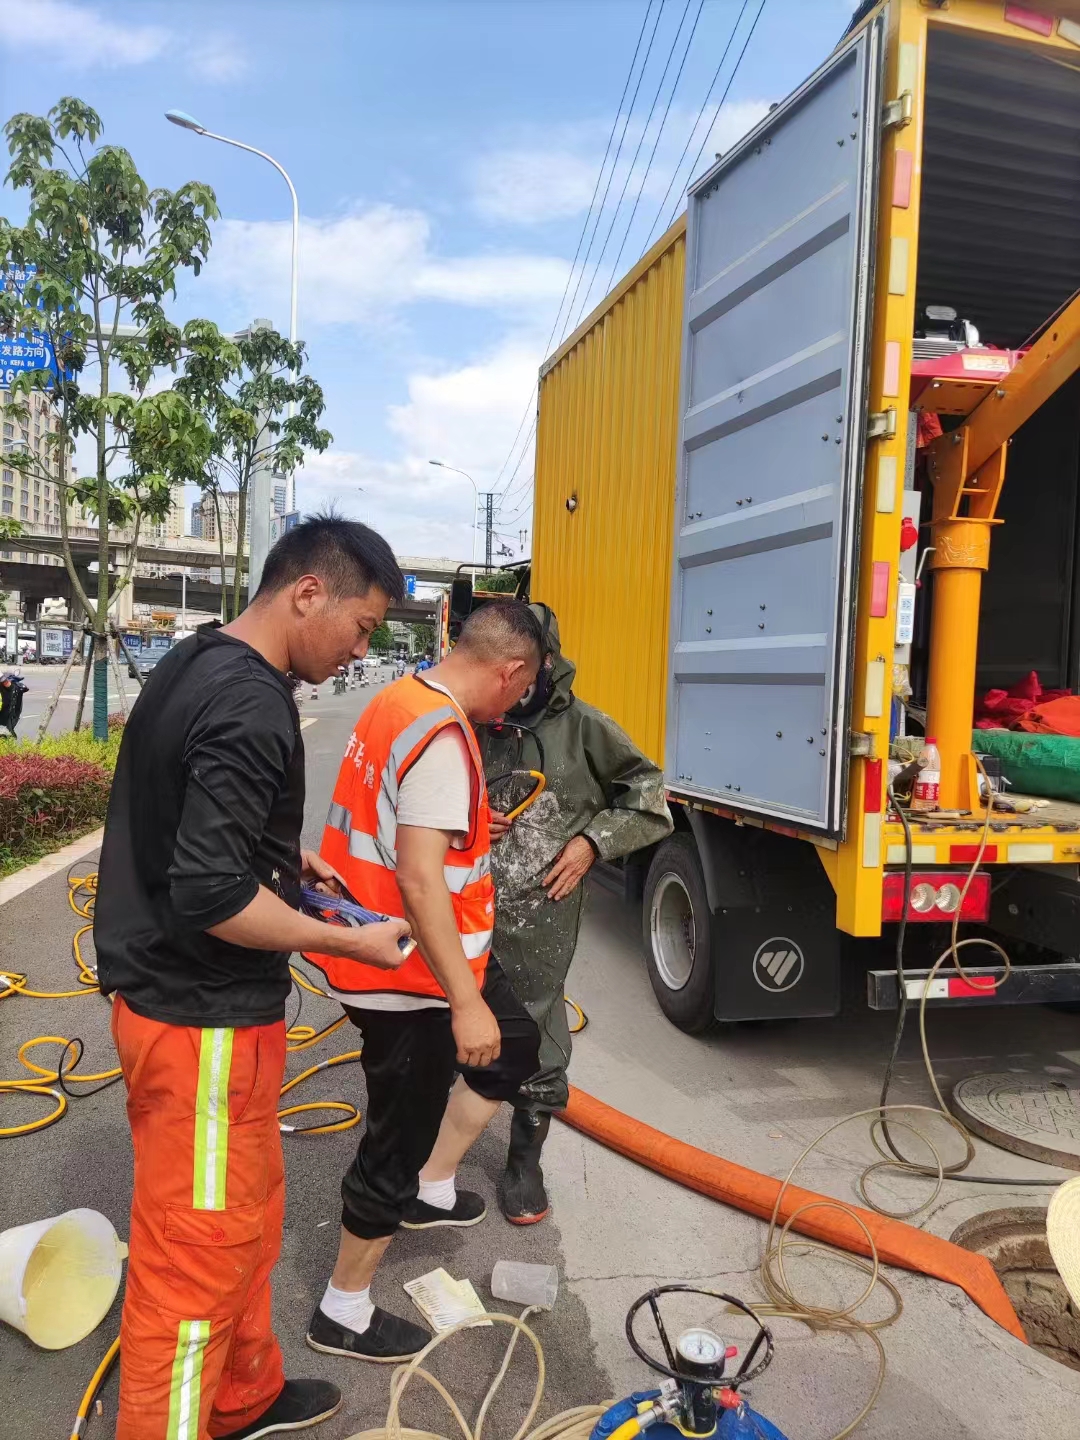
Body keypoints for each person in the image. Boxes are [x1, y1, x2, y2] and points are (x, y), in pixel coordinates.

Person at [94, 515, 412, 1440]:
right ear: (308, 592)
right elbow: (211, 896)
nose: (360, 649)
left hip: (202, 1014)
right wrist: (345, 941)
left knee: (245, 1218)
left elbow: (197, 832)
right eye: (359, 627)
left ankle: (243, 1396)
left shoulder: (201, 661)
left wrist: (286, 860)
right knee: (193, 1260)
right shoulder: (250, 704)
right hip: (199, 1025)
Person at [302, 601, 543, 1364]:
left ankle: (429, 1189)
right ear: (510, 670)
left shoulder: (402, 698)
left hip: (417, 956)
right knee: (395, 1133)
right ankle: (343, 1309)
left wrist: (467, 819)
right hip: (411, 973)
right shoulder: (442, 734)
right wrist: (464, 1001)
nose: (516, 705)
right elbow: (417, 874)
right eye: (523, 689)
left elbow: (406, 825)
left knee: (518, 1044)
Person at [480, 604, 672, 1223]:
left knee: (536, 1036)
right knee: (443, 1027)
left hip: (541, 916)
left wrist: (593, 843)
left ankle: (523, 1157)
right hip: (460, 902)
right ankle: (426, 1150)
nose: (506, 695)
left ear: (542, 668)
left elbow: (649, 796)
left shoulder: (587, 729)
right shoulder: (472, 716)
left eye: (518, 680)